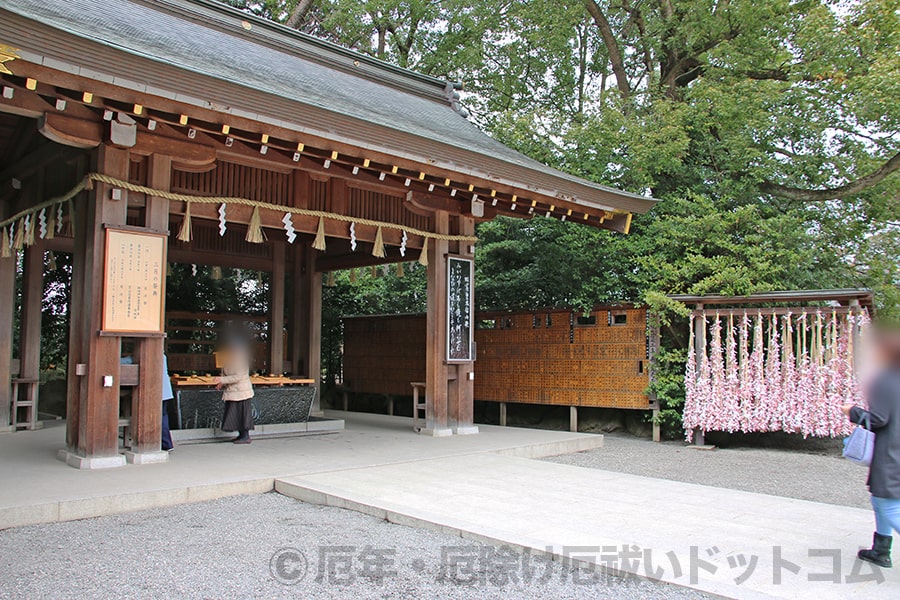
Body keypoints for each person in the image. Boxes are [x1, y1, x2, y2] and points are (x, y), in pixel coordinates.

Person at [842, 326, 900, 568]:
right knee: (880, 499)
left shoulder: (885, 380)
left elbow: (878, 418)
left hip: (891, 452)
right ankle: (881, 549)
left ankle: (881, 549)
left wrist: (852, 412)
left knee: (887, 502)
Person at [216, 325, 255, 444]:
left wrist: (222, 380)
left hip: (241, 390)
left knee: (242, 414)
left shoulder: (240, 357)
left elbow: (238, 376)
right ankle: (241, 435)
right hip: (233, 390)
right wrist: (221, 381)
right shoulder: (229, 356)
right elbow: (225, 371)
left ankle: (245, 436)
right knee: (234, 413)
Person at [161, 353, 175, 452]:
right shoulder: (163, 355)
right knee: (163, 417)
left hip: (159, 391)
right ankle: (167, 444)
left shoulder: (151, 353)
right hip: (165, 391)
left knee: (161, 417)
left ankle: (166, 444)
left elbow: (129, 360)